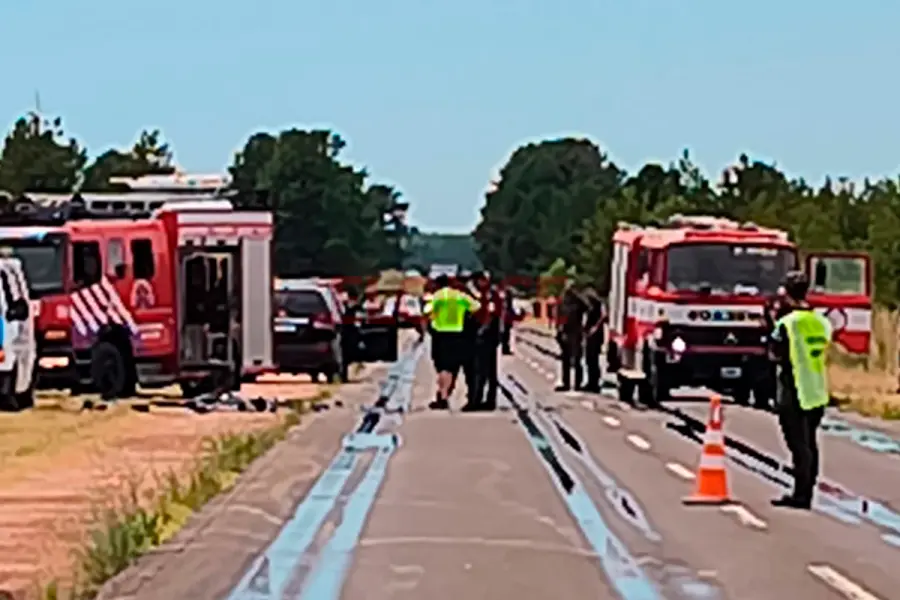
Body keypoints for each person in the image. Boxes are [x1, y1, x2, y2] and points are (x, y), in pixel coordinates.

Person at [768, 271, 832, 509]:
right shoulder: (821, 322)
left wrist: (771, 322)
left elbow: (775, 353)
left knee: (797, 445)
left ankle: (800, 495)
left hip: (793, 388)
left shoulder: (787, 323)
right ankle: (807, 491)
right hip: (816, 388)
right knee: (810, 443)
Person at [424, 274, 480, 410]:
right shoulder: (458, 296)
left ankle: (443, 396)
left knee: (443, 367)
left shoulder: (437, 296)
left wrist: (432, 320)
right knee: (452, 366)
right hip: (458, 333)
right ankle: (444, 396)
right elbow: (476, 306)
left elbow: (427, 311)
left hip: (440, 335)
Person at [470, 270, 502, 411]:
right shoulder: (485, 294)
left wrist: (481, 331)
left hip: (487, 336)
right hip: (489, 335)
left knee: (483, 370)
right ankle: (485, 399)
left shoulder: (490, 295)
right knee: (486, 370)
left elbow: (491, 314)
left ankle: (482, 400)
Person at [555, 280, 588, 391]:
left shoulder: (579, 300)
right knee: (566, 359)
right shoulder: (562, 300)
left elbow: (588, 308)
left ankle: (577, 384)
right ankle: (566, 383)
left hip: (576, 331)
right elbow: (558, 314)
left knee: (577, 359)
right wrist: (558, 329)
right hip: (565, 331)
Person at [582, 287, 606, 392]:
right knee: (589, 359)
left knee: (593, 359)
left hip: (595, 336)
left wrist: (595, 328)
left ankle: (594, 383)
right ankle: (591, 382)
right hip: (590, 335)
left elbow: (603, 316)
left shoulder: (598, 305)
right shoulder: (591, 306)